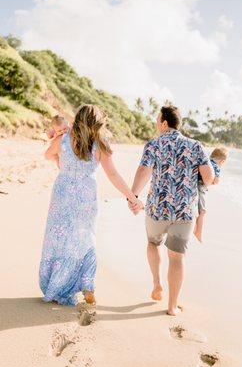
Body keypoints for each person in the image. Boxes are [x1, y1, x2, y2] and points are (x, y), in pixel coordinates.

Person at [39, 104, 142, 306]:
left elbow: (47, 155)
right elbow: (113, 174)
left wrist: (59, 161)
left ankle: (57, 284)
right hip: (86, 195)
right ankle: (87, 283)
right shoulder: (100, 144)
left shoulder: (63, 139)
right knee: (84, 237)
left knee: (59, 237)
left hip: (62, 192)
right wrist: (132, 197)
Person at [128, 106, 214, 316]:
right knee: (177, 258)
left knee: (153, 243)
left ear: (165, 122)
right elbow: (209, 178)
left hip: (158, 209)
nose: (157, 123)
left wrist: (133, 196)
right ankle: (172, 306)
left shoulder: (154, 144)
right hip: (184, 213)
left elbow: (143, 171)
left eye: (158, 120)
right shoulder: (195, 146)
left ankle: (157, 284)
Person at [194, 147, 228, 242]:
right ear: (222, 161)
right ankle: (198, 233)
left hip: (192, 185)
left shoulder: (205, 161)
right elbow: (216, 181)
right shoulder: (216, 166)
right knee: (202, 212)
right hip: (199, 188)